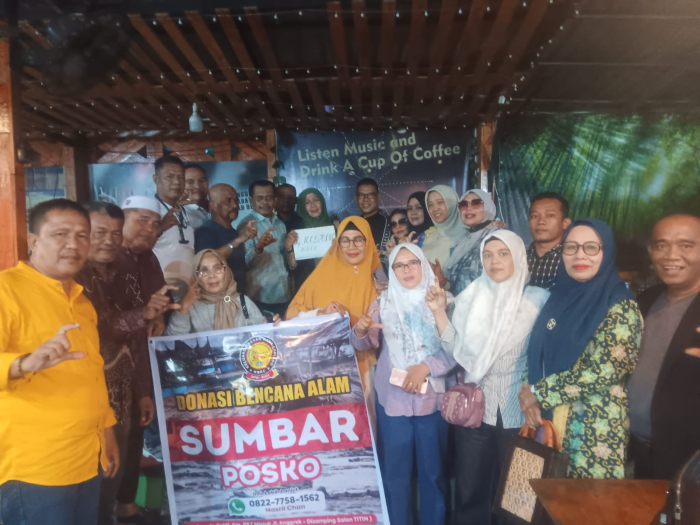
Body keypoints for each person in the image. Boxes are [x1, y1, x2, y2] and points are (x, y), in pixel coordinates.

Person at [0, 199, 118, 525]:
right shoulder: (6, 290)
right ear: (34, 241)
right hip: (35, 468)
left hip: (86, 458)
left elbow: (93, 373)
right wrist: (23, 364)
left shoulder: (81, 302)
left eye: (82, 236)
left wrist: (106, 434)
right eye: (61, 234)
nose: (73, 244)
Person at [432, 230, 549, 524]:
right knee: (471, 491)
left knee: (519, 498)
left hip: (521, 413)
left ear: (518, 257)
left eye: (503, 253)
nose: (494, 261)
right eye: (487, 255)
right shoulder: (471, 299)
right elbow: (455, 351)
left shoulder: (538, 302)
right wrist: (439, 313)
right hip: (476, 414)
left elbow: (545, 357)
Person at [520, 219, 643, 479]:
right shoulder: (557, 297)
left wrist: (539, 393)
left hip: (590, 431)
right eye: (571, 247)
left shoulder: (621, 307)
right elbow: (536, 348)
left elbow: (605, 371)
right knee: (542, 496)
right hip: (545, 419)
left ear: (606, 252)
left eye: (591, 247)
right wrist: (527, 390)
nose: (580, 255)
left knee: (583, 501)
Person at [75, 202, 174, 525]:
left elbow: (137, 335)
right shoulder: (73, 278)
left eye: (114, 233)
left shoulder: (122, 272)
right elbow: (99, 328)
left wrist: (142, 391)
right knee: (98, 468)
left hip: (126, 386)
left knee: (126, 454)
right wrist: (143, 314)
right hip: (90, 393)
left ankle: (123, 510)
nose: (108, 240)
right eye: (99, 232)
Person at [351, 244, 454, 525]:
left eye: (413, 262)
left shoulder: (444, 301)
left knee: (433, 473)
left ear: (423, 265)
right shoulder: (382, 303)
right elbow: (364, 343)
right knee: (396, 476)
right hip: (394, 403)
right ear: (392, 270)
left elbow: (457, 348)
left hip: (432, 402)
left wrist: (426, 368)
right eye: (399, 265)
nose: (407, 269)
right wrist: (359, 331)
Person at [627, 214, 700, 480]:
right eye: (661, 245)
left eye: (686, 245)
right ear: (650, 251)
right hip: (637, 454)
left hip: (688, 466)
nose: (671, 255)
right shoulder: (646, 300)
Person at [112, 196, 170, 524]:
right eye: (142, 220)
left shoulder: (149, 259)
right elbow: (105, 322)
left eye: (155, 223)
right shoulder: (105, 259)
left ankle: (126, 505)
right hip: (108, 368)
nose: (149, 229)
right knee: (112, 440)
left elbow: (158, 298)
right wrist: (143, 316)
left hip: (139, 362)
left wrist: (157, 315)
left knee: (135, 435)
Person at [286, 216, 381, 392]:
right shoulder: (320, 276)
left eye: (358, 239)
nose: (352, 246)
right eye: (345, 240)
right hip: (324, 366)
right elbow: (291, 318)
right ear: (337, 243)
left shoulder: (379, 277)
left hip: (365, 365)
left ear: (368, 241)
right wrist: (320, 314)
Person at [167, 250, 266, 334]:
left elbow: (263, 336)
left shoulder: (243, 302)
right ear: (196, 276)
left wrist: (270, 327)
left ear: (226, 271)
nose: (212, 275)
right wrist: (184, 307)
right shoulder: (190, 307)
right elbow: (173, 343)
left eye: (217, 268)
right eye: (204, 270)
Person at [237, 180, 295, 318]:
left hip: (284, 292)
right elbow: (244, 263)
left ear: (275, 200)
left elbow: (283, 258)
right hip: (262, 297)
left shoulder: (279, 223)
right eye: (260, 198)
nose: (265, 202)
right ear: (251, 201)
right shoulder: (246, 226)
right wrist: (258, 248)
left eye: (269, 197)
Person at [195, 183, 257, 295]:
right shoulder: (205, 232)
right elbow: (207, 263)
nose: (234, 205)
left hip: (238, 294)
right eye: (228, 201)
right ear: (213, 205)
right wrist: (238, 241)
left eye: (236, 200)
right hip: (219, 297)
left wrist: (259, 248)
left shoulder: (233, 232)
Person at [440, 189, 501, 296]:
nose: (469, 208)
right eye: (463, 205)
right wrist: (443, 281)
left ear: (488, 206)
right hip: (462, 303)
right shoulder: (466, 239)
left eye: (476, 203)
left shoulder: (495, 237)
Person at [151, 156, 195, 299]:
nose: (176, 182)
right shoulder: (148, 211)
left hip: (187, 291)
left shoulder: (185, 211)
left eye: (181, 177)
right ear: (156, 179)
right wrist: (160, 228)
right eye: (169, 177)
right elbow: (133, 248)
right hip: (160, 292)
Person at [291, 188, 337, 292]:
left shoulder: (336, 226)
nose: (313, 205)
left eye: (316, 200)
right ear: (302, 207)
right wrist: (289, 246)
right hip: (306, 287)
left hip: (333, 283)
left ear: (322, 202)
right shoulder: (296, 231)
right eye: (307, 202)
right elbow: (292, 265)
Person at [527, 192, 571, 289]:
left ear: (565, 223)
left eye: (550, 215)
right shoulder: (518, 257)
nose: (541, 222)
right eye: (534, 216)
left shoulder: (572, 259)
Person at [421, 185, 468, 268]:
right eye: (430, 205)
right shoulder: (425, 237)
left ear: (452, 203)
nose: (435, 209)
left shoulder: (470, 236)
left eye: (440, 202)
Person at [355, 178, 391, 251]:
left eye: (370, 195)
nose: (365, 199)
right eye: (361, 195)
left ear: (378, 197)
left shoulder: (389, 223)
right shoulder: (353, 224)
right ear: (356, 199)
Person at [181, 163, 210, 229]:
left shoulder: (217, 207)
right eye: (190, 182)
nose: (197, 186)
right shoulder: (179, 213)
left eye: (202, 181)